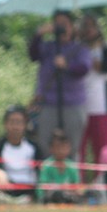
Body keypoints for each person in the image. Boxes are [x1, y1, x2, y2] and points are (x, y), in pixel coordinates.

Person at [28, 11, 92, 158]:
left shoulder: (80, 48)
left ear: (72, 27)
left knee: (72, 147)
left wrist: (67, 65)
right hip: (48, 104)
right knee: (44, 145)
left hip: (73, 104)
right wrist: (39, 34)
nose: (61, 28)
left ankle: (70, 179)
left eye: (65, 24)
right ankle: (47, 177)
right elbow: (33, 55)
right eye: (58, 24)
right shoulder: (48, 47)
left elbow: (84, 68)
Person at [77, 13, 107, 187]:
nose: (88, 30)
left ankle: (101, 183)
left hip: (101, 107)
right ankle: (78, 182)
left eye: (91, 26)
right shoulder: (76, 49)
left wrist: (93, 62)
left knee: (102, 148)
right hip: (79, 106)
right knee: (79, 148)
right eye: (85, 26)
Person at [0, 104, 41, 204]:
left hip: (27, 186)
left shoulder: (34, 147)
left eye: (19, 122)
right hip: (6, 185)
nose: (15, 126)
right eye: (12, 122)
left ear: (25, 124)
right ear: (5, 124)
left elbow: (39, 170)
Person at [36, 129, 81, 204]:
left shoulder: (72, 166)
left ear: (69, 148)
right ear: (51, 148)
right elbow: (43, 187)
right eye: (58, 147)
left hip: (68, 196)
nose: (61, 151)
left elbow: (76, 186)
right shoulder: (47, 165)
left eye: (64, 147)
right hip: (49, 197)